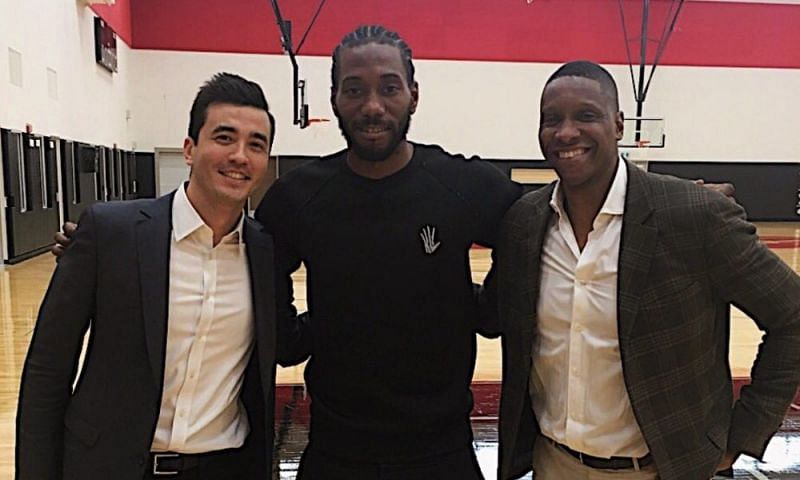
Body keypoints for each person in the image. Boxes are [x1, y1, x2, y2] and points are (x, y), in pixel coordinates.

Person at [485, 61, 800, 480]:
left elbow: (793, 315)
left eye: (586, 116)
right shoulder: (524, 223)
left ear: (618, 124)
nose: (565, 132)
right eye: (551, 119)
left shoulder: (692, 217)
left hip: (658, 470)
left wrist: (742, 434)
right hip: (552, 464)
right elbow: (493, 313)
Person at [254, 25, 522, 479]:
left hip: (442, 454)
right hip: (336, 453)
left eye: (389, 88)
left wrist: (486, 311)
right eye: (355, 90)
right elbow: (265, 273)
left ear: (413, 95)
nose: (372, 107)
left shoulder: (460, 185)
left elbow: (529, 226)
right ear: (334, 97)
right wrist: (295, 338)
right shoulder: (297, 198)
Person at [16, 72, 300, 480]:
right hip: (110, 465)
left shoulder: (266, 253)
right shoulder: (110, 233)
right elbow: (48, 369)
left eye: (256, 144)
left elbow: (288, 343)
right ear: (189, 148)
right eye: (224, 137)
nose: (240, 155)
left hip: (226, 467)